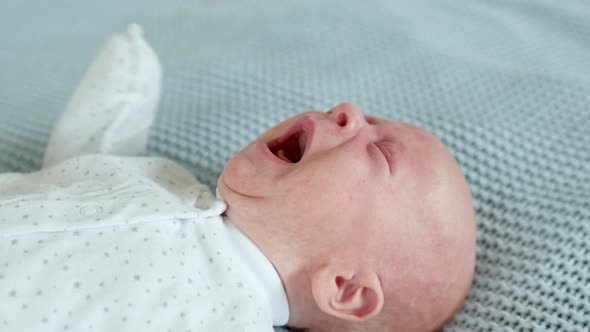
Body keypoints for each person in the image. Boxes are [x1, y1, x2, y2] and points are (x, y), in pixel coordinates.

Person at [0, 25, 476, 332]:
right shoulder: (165, 177)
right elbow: (76, 169)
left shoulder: (229, 317)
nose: (347, 110)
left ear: (346, 289)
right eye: (367, 115)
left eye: (380, 152)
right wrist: (123, 96)